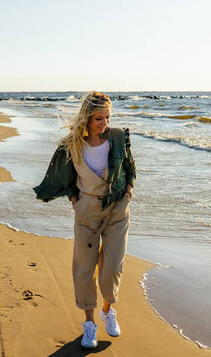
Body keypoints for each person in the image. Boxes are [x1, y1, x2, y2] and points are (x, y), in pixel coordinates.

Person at [33, 91, 136, 348]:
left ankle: (107, 311)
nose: (105, 123)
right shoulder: (72, 145)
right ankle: (89, 323)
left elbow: (131, 168)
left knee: (113, 267)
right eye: (99, 118)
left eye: (108, 117)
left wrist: (129, 191)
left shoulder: (118, 138)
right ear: (87, 118)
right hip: (87, 209)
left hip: (117, 209)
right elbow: (65, 177)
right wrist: (74, 200)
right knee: (84, 268)